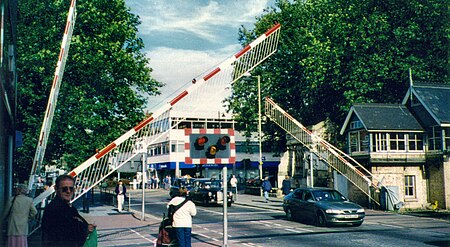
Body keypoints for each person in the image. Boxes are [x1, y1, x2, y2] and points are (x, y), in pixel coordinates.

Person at [42, 174, 96, 247]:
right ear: (56, 189)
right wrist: (85, 228)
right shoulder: (55, 209)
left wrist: (86, 226)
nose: (68, 191)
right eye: (64, 189)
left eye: (71, 189)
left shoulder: (67, 206)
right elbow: (65, 234)